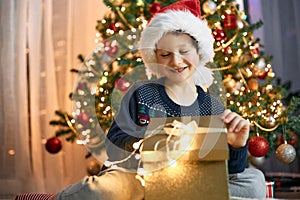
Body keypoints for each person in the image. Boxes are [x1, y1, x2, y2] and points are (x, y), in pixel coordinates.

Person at [55, 0, 266, 199]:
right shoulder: (142, 94)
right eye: (165, 55)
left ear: (199, 52)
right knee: (106, 190)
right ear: (155, 59)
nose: (175, 61)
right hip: (140, 178)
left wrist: (236, 146)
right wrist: (146, 142)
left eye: (184, 51)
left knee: (254, 182)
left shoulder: (212, 106)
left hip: (195, 179)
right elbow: (114, 144)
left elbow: (229, 171)